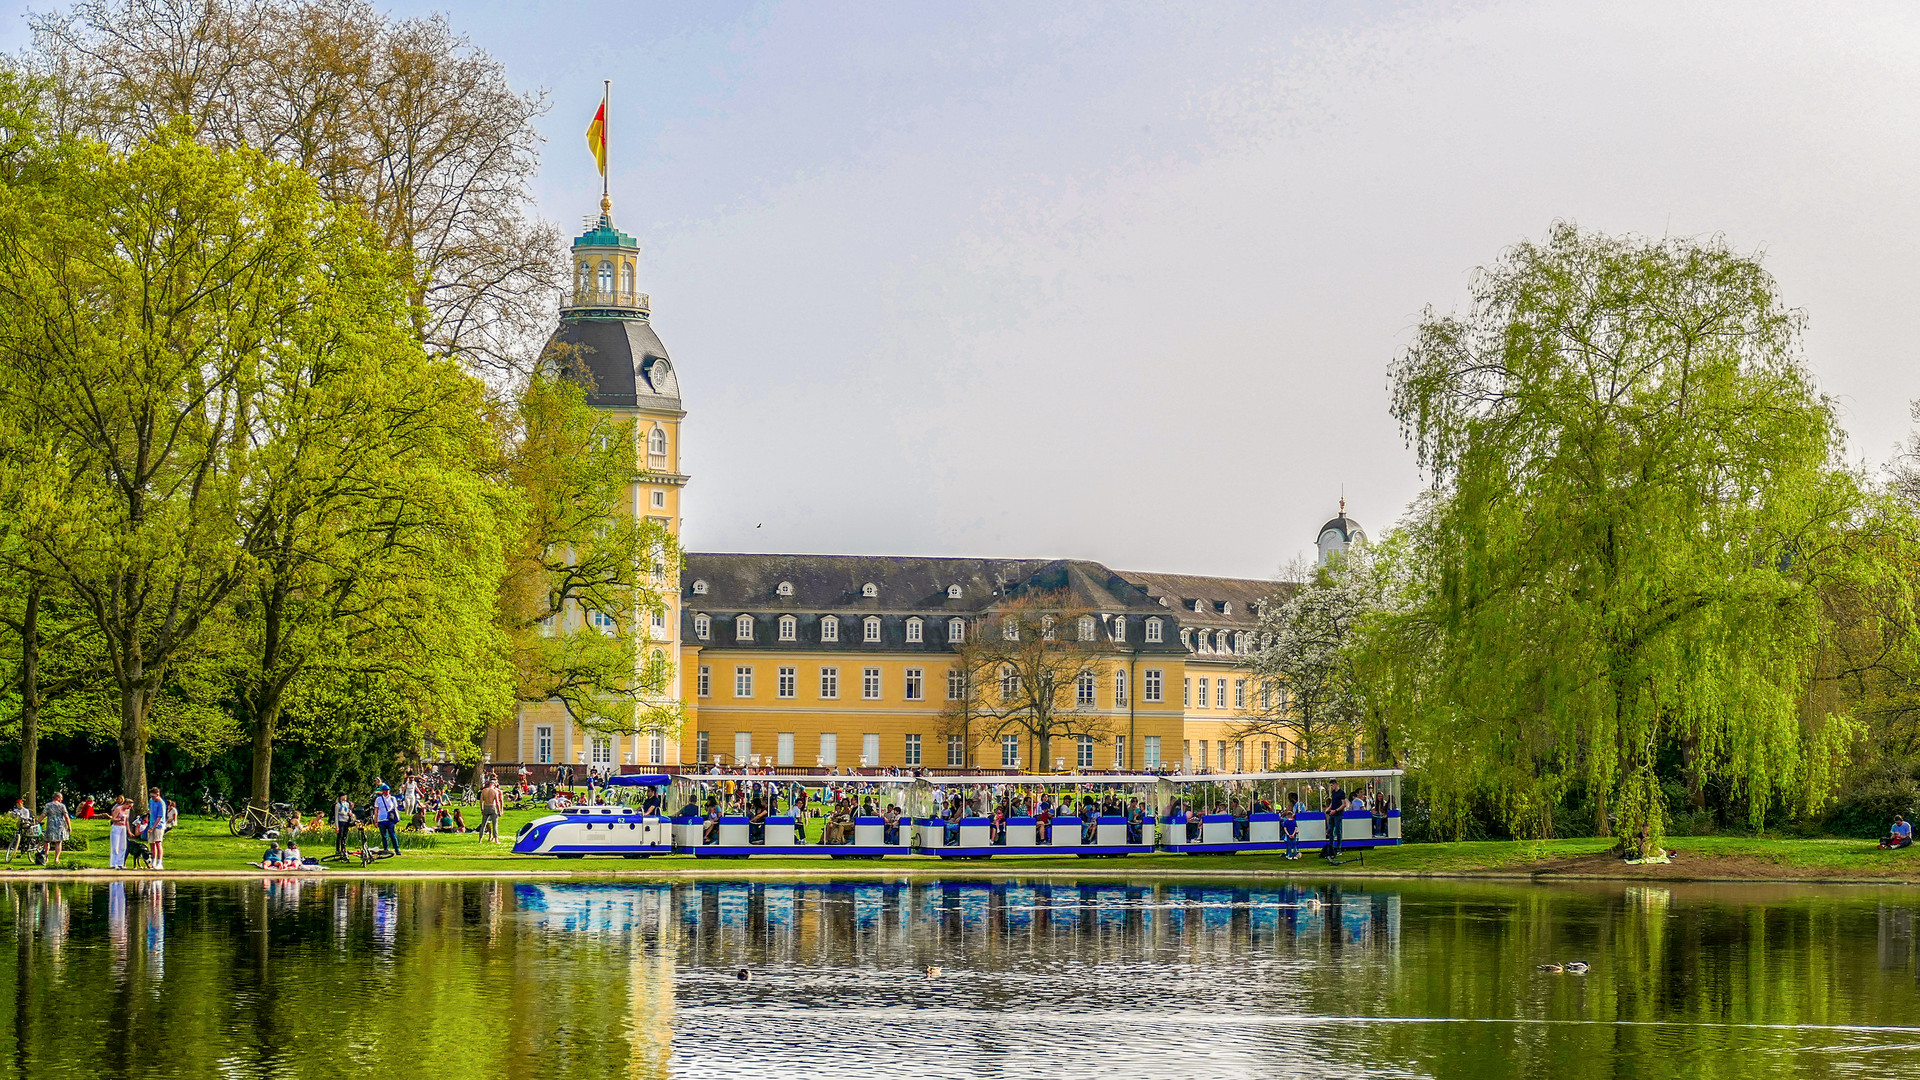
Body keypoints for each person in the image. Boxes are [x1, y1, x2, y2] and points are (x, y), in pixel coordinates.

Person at [41, 791, 72, 864]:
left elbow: (43, 815)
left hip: (50, 825)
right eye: (61, 798)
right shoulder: (62, 806)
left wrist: (38, 822)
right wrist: (69, 826)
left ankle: (45, 857)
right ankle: (56, 858)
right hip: (60, 826)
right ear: (58, 798)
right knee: (58, 842)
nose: (62, 799)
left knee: (46, 841)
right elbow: (66, 817)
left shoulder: (48, 805)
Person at [1323, 782, 1349, 860]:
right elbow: (1332, 802)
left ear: (1335, 784)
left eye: (1332, 785)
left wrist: (1336, 810)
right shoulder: (1333, 792)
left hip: (1338, 814)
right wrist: (1329, 808)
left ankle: (1339, 848)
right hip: (1332, 813)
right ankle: (1331, 848)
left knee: (1338, 831)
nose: (1331, 787)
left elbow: (1344, 804)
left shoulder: (1341, 793)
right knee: (1330, 831)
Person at [373, 784, 400, 855]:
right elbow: (376, 810)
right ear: (383, 791)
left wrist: (397, 818)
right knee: (384, 836)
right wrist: (375, 820)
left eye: (388, 790)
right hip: (381, 819)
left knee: (392, 835)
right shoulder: (378, 799)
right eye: (385, 791)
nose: (387, 792)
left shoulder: (392, 798)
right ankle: (386, 850)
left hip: (390, 819)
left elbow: (396, 809)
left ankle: (397, 849)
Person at [146, 787, 168, 870]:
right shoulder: (151, 801)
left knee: (158, 843)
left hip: (158, 826)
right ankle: (153, 861)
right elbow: (150, 811)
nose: (152, 798)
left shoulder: (161, 803)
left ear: (157, 794)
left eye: (153, 796)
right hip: (151, 824)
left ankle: (159, 863)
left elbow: (159, 817)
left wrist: (153, 827)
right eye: (151, 796)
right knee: (151, 843)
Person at [5, 797, 33, 863]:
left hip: (25, 823)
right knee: (17, 835)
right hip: (18, 825)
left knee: (26, 832)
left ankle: (27, 843)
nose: (19, 805)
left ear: (22, 804)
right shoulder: (15, 810)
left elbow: (27, 818)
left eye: (20, 804)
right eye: (18, 804)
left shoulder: (25, 810)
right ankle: (15, 845)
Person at [108, 796, 132, 870]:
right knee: (115, 845)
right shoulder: (118, 809)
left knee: (123, 846)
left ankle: (120, 863)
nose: (129, 808)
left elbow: (127, 821)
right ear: (125, 804)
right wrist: (119, 819)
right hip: (116, 827)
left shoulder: (127, 810)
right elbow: (113, 819)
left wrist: (129, 831)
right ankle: (113, 863)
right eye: (129, 806)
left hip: (123, 828)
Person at [333, 793, 355, 858]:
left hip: (346, 821)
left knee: (345, 836)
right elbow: (336, 816)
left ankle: (343, 849)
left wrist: (351, 812)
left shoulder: (347, 804)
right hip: (340, 821)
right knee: (340, 836)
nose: (345, 797)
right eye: (343, 796)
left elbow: (348, 811)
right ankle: (338, 850)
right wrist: (337, 826)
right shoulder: (338, 805)